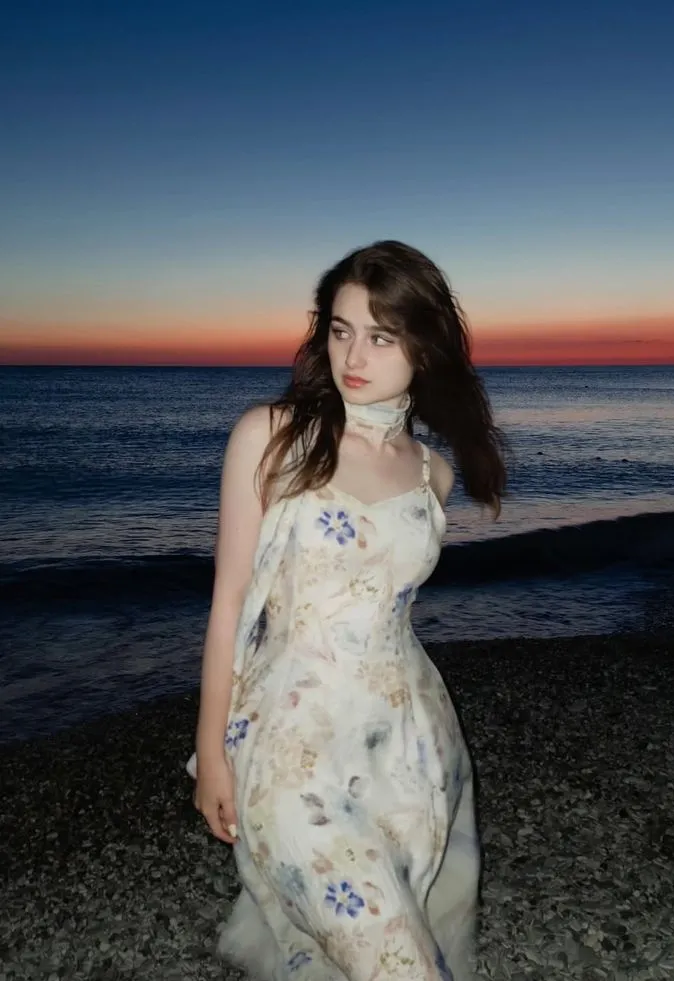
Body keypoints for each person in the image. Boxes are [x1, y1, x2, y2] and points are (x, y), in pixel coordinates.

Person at [189, 240, 507, 981]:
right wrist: (211, 750)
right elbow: (229, 602)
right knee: (397, 961)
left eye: (381, 334)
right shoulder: (272, 438)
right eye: (340, 328)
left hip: (410, 747)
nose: (352, 354)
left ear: (422, 348)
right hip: (291, 751)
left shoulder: (434, 471)